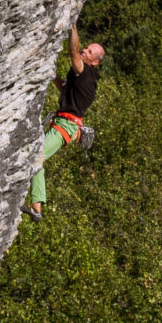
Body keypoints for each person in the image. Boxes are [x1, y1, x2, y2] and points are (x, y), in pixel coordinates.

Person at [21, 23, 105, 223]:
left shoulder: (86, 73)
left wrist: (74, 30)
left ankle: (37, 207)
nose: (85, 50)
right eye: (86, 48)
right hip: (64, 124)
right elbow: (65, 89)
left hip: (65, 127)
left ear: (94, 62)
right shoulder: (82, 79)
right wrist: (52, 75)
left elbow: (74, 52)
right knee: (35, 157)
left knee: (35, 157)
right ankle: (37, 206)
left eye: (89, 51)